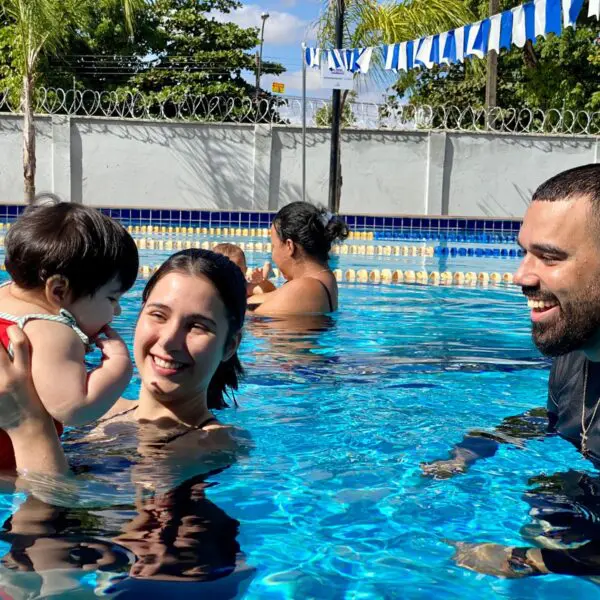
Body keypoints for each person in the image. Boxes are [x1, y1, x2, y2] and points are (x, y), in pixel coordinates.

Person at [422, 163, 600, 577]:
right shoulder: (573, 355)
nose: (520, 275)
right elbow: (553, 420)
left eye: (550, 257)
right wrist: (475, 447)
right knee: (541, 508)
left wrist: (530, 562)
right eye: (525, 252)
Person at [0, 202, 139, 471]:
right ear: (59, 291)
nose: (117, 310)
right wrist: (118, 368)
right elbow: (75, 409)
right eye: (111, 298)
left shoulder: (5, 294)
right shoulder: (52, 330)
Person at [247, 202, 349, 315]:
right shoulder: (323, 280)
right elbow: (269, 298)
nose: (273, 255)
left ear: (289, 246)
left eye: (274, 246)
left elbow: (241, 315)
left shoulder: (307, 287)